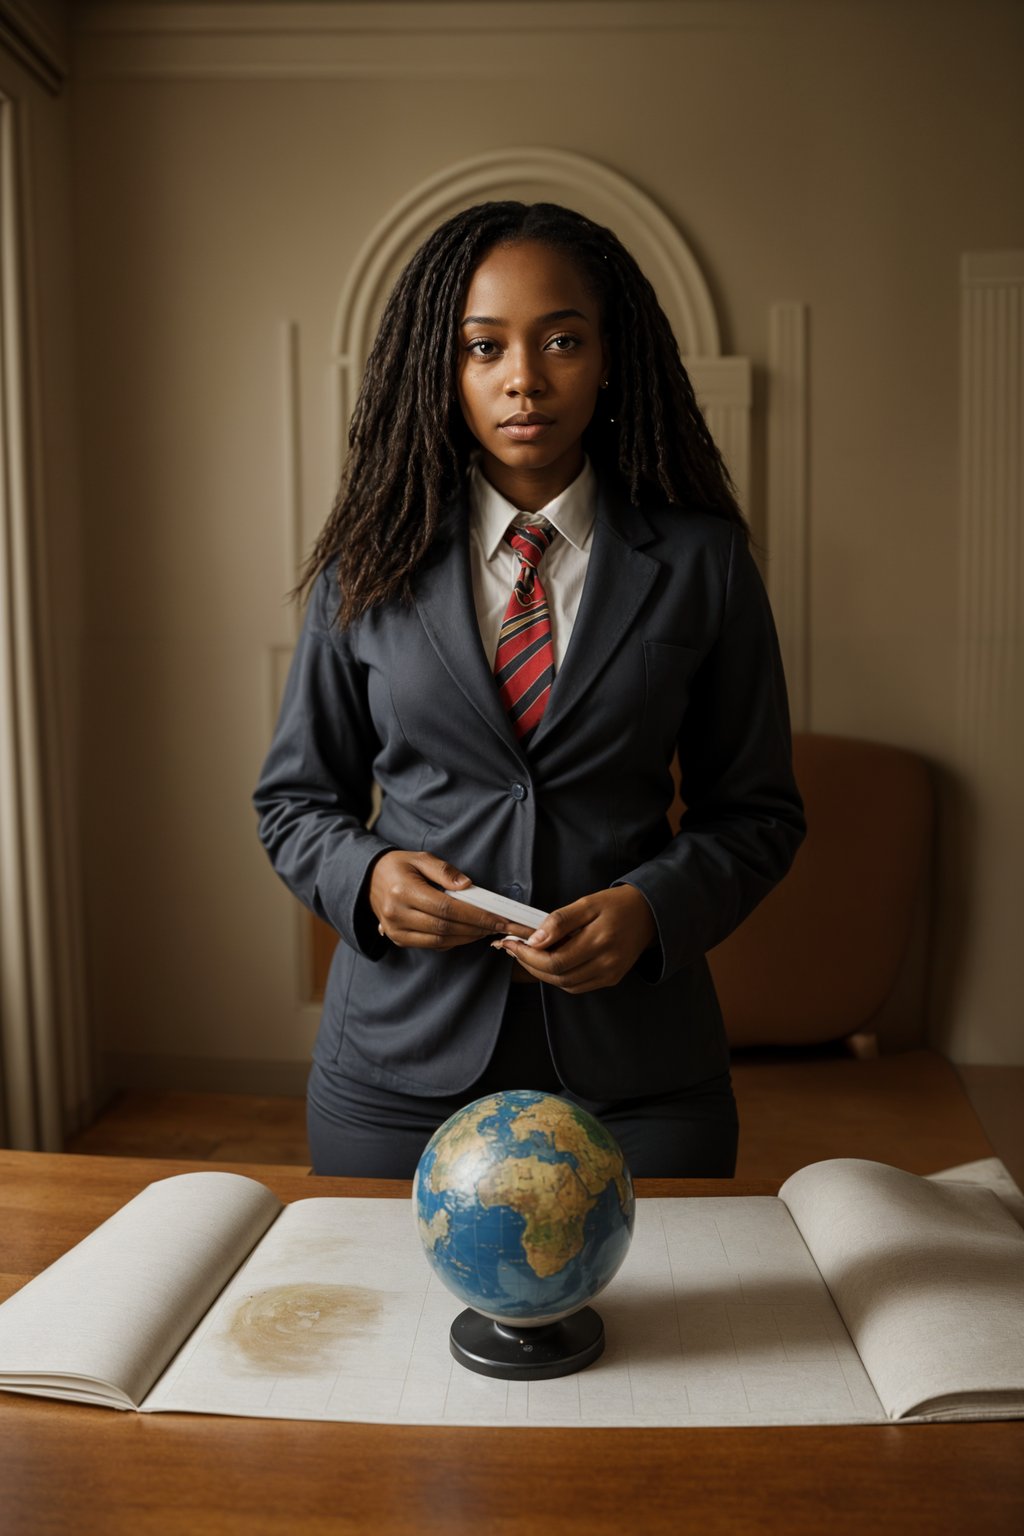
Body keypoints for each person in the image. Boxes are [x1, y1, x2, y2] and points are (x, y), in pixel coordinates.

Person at [254, 201, 805, 1179]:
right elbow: (295, 804)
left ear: (607, 359)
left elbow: (755, 812)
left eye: (560, 340)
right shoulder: (365, 565)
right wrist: (370, 881)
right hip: (396, 1068)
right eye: (482, 347)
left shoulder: (702, 563)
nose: (523, 377)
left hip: (640, 1070)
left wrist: (650, 909)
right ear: (444, 369)